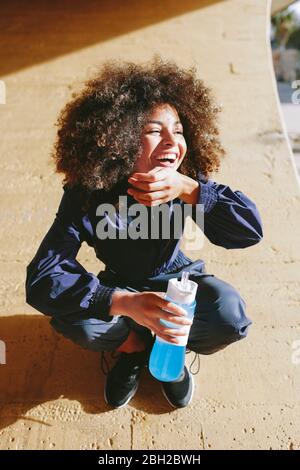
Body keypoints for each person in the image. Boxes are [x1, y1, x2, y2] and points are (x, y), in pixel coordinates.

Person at [25, 56, 263, 409]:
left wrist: (191, 189)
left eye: (179, 130)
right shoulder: (88, 192)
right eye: (155, 131)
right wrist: (120, 301)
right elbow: (42, 278)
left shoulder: (187, 184)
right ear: (120, 140)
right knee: (78, 323)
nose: (172, 141)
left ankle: (172, 347)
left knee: (230, 316)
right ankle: (133, 348)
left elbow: (250, 230)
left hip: (177, 278)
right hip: (120, 284)